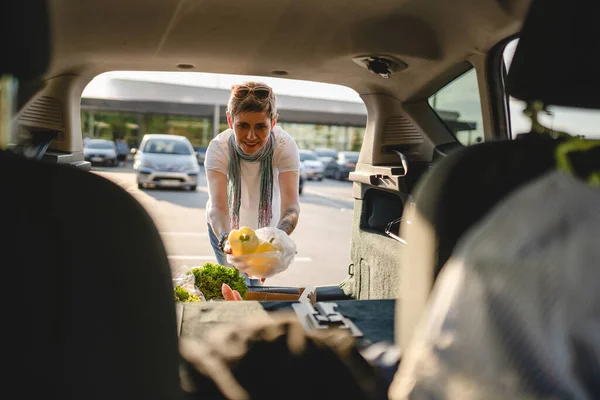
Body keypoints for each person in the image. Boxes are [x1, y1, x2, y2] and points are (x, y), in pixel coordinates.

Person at [204, 82, 301, 284]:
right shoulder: (218, 148)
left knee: (254, 285)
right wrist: (226, 240)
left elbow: (291, 207)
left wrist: (275, 243)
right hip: (225, 229)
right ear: (230, 121)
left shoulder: (285, 146)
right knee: (237, 284)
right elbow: (217, 208)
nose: (251, 136)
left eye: (260, 127)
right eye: (243, 125)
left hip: (268, 230)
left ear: (273, 123)